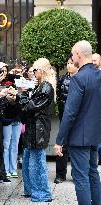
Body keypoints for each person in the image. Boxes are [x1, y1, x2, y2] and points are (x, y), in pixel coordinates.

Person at [54, 40, 101, 205]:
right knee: (93, 173)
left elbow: (70, 112)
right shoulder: (99, 75)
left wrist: (59, 140)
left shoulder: (78, 78)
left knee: (81, 177)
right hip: (95, 135)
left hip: (79, 137)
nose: (72, 57)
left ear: (79, 55)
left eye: (73, 54)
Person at [15, 58, 56, 202]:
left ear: (41, 71)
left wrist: (20, 95)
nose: (32, 72)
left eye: (34, 70)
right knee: (28, 162)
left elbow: (29, 107)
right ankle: (32, 190)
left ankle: (42, 193)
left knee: (37, 163)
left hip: (38, 131)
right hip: (33, 129)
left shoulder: (46, 87)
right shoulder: (41, 86)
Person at [54, 53, 78, 184]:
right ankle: (60, 174)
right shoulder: (62, 79)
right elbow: (58, 97)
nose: (69, 65)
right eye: (68, 63)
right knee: (61, 146)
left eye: (71, 63)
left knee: (76, 147)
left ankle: (76, 174)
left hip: (78, 120)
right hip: (64, 118)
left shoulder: (81, 79)